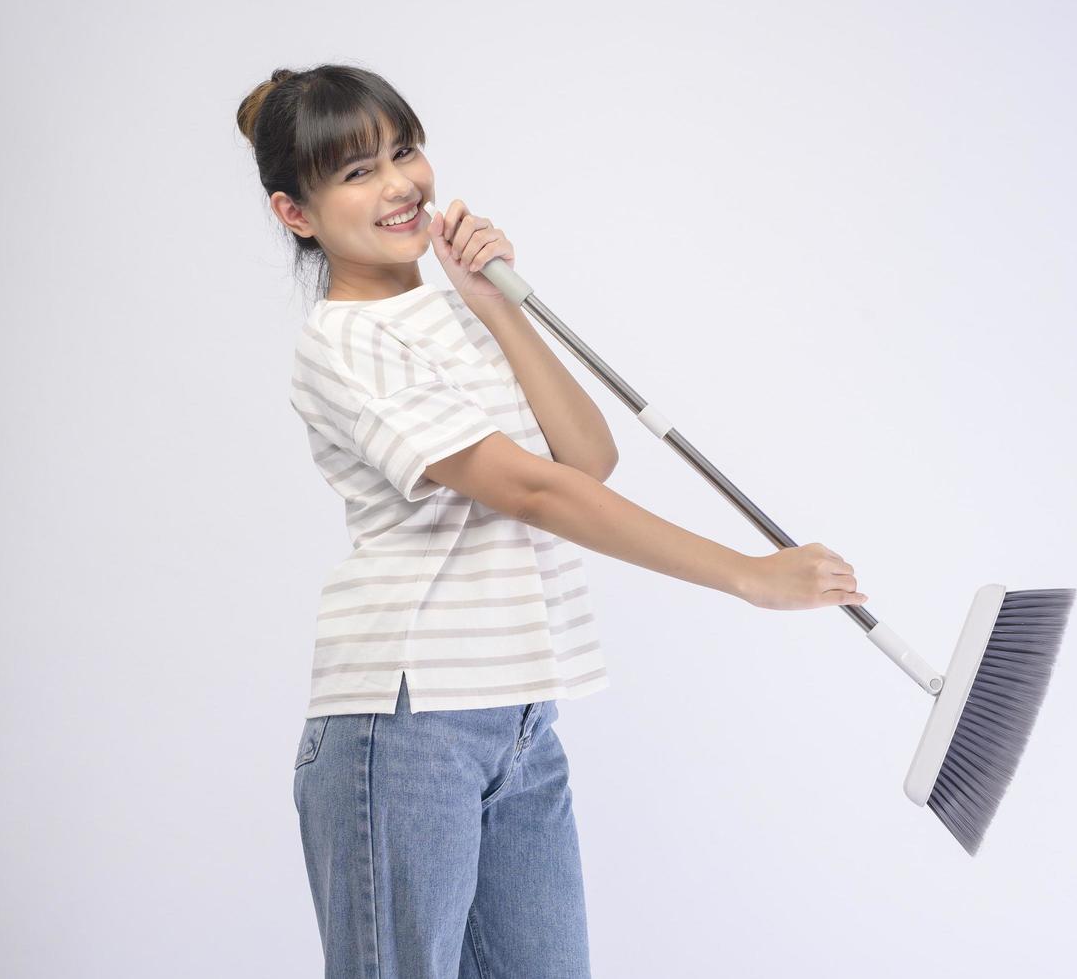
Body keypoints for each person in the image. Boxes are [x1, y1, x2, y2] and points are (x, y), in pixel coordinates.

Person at [237, 63, 867, 979]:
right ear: (296, 212)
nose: (400, 184)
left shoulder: (455, 315)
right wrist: (747, 573)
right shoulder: (344, 346)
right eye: (356, 172)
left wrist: (497, 308)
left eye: (403, 151)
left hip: (522, 718)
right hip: (407, 726)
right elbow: (534, 492)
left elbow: (585, 460)